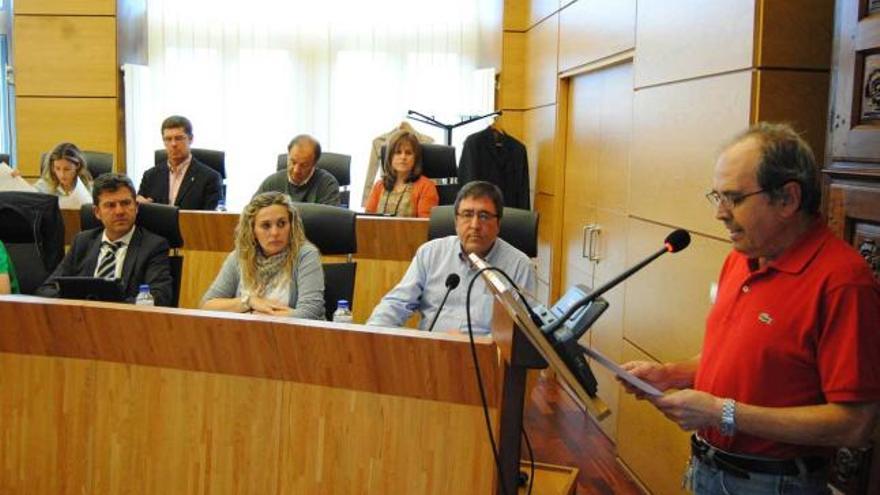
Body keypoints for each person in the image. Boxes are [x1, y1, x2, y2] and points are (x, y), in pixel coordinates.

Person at [621, 123, 880, 494]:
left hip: (774, 483)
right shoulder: (742, 259)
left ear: (788, 199)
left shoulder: (842, 281)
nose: (720, 214)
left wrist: (721, 413)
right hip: (706, 467)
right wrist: (672, 374)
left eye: (735, 198)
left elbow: (855, 423)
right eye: (717, 197)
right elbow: (742, 357)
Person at [367, 181, 535, 333]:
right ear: (456, 221)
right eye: (467, 215)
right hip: (430, 354)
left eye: (484, 216)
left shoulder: (519, 266)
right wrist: (372, 334)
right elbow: (396, 303)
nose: (475, 225)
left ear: (498, 224)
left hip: (484, 361)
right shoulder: (430, 253)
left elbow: (520, 332)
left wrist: (470, 347)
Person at [36, 173, 173, 305]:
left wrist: (106, 308)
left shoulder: (153, 246)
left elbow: (159, 296)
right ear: (97, 212)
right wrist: (82, 304)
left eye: (125, 203)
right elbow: (47, 289)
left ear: (136, 207)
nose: (119, 211)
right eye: (110, 205)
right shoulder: (82, 242)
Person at [201, 191, 325, 319]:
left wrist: (256, 316)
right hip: (246, 334)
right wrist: (248, 301)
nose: (275, 232)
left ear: (291, 226)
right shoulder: (240, 257)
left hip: (294, 335)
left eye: (282, 224)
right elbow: (207, 306)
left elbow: (310, 313)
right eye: (266, 226)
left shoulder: (305, 255)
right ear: (252, 230)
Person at [137, 115, 222, 210]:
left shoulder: (210, 178)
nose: (173, 144)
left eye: (179, 138)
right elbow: (140, 209)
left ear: (191, 139)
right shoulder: (150, 176)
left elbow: (209, 219)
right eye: (168, 139)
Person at [365, 130, 439, 217]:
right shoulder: (379, 185)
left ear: (415, 158)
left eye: (408, 153)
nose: (403, 157)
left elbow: (425, 225)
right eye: (398, 152)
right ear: (390, 157)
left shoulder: (426, 186)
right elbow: (367, 219)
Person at [255, 134, 340, 206]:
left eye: (304, 165)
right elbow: (249, 214)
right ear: (288, 155)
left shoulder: (327, 185)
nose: (296, 170)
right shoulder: (271, 183)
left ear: (314, 163)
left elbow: (331, 222)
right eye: (293, 162)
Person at [34, 142, 93, 207]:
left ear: (77, 166)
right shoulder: (43, 186)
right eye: (57, 168)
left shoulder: (88, 188)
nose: (62, 174)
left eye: (67, 169)